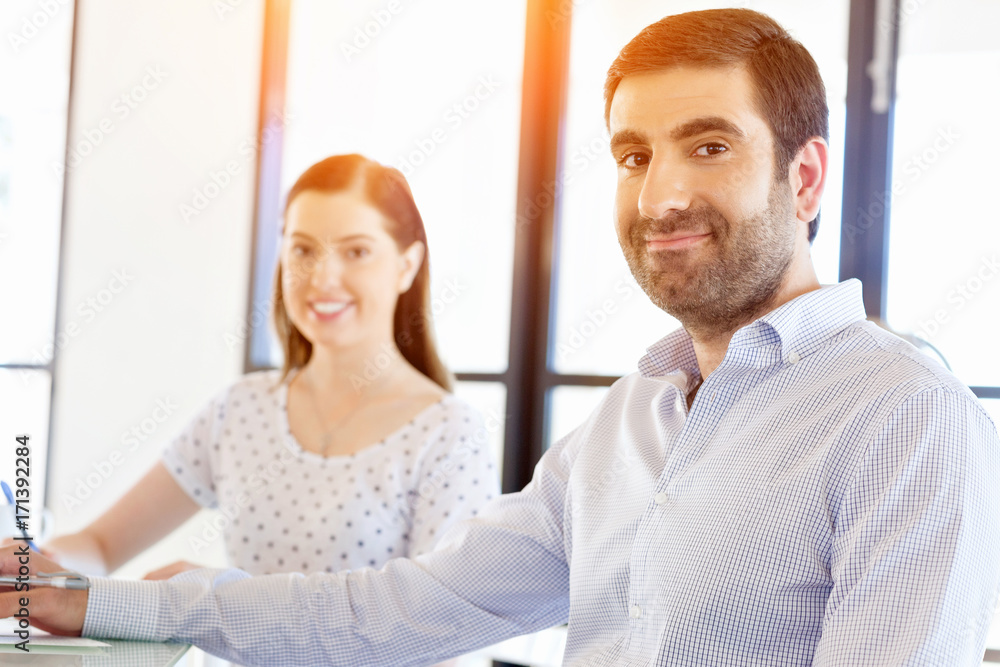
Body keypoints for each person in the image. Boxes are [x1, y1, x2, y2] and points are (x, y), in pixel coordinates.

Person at [2, 8, 999, 666]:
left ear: (807, 176)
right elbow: (394, 608)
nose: (659, 196)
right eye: (630, 154)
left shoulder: (902, 414)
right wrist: (112, 604)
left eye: (708, 144)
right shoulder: (624, 426)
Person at [0, 154, 497, 663]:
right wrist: (39, 568)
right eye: (303, 249)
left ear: (407, 265)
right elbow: (101, 546)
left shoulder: (449, 434)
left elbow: (440, 632)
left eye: (356, 251)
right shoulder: (239, 411)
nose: (323, 277)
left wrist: (206, 593)